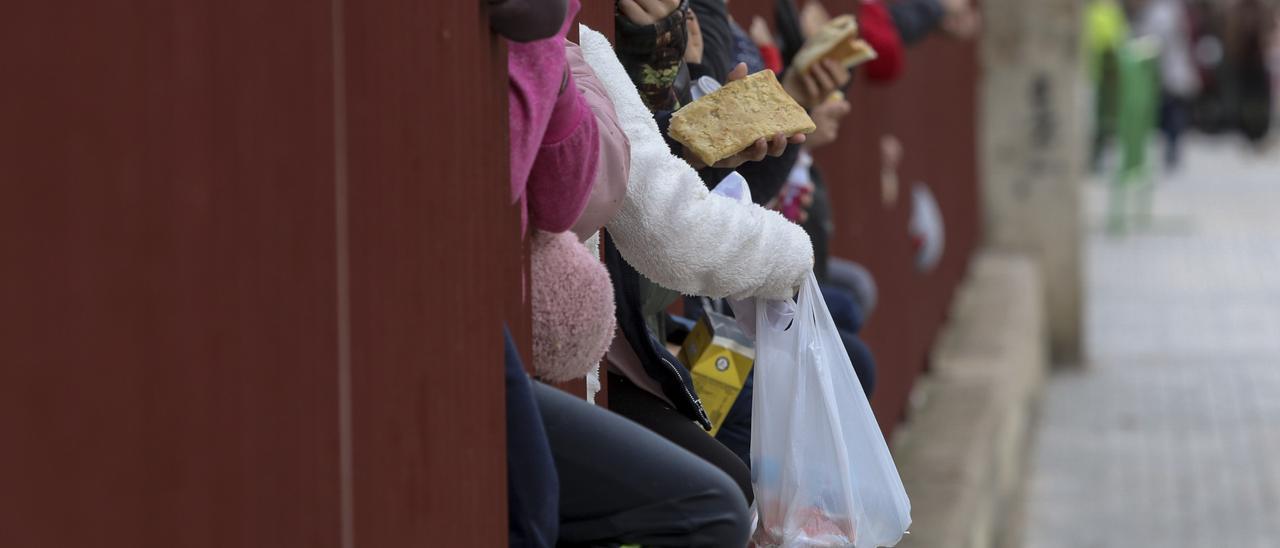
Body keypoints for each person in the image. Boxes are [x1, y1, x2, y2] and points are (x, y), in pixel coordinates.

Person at [1136, 0, 1201, 169]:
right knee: (1171, 111)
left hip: (1169, 69)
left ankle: (1172, 149)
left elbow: (1152, 39)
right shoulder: (1167, 10)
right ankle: (1171, 148)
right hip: (1167, 69)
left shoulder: (1164, 11)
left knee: (1173, 111)